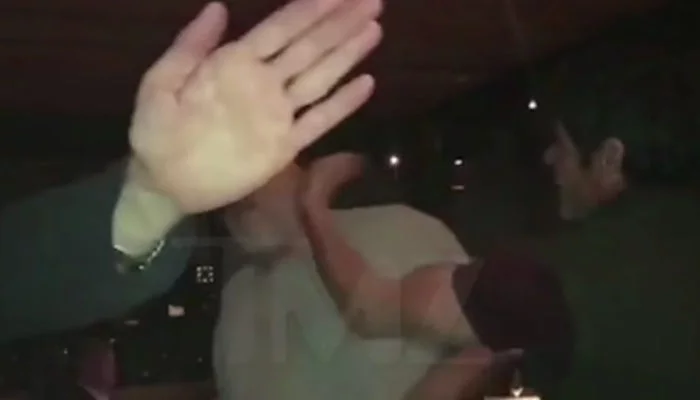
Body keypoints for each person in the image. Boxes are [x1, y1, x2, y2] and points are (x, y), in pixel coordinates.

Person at [0, 0, 383, 343]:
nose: (238, 205)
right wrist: (151, 201)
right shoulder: (240, 296)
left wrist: (150, 200)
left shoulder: (389, 232)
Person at [297, 153, 575, 399]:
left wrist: (313, 203)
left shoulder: (531, 282)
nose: (551, 156)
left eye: (564, 146)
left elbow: (370, 307)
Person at [212, 155, 479, 400]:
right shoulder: (237, 295)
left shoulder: (399, 227)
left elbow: (486, 339)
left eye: (250, 176)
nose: (238, 198)